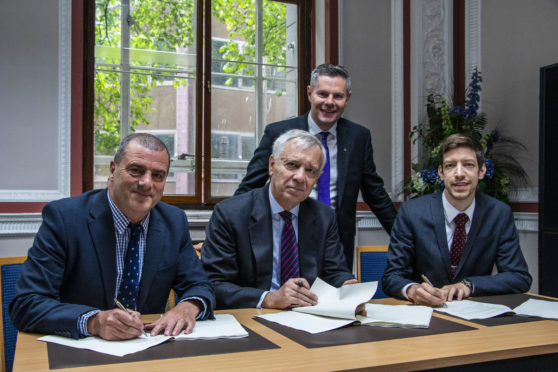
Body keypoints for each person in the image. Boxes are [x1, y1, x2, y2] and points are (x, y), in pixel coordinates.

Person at [9, 133, 215, 340]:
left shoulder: (173, 221)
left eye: (158, 176)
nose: (146, 183)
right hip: (80, 351)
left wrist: (188, 307)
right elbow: (27, 303)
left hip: (146, 347)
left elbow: (199, 285)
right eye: (136, 170)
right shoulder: (65, 219)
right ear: (113, 170)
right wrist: (93, 321)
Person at [235, 64, 396, 268]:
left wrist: (406, 239)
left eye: (337, 96)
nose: (329, 102)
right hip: (285, 236)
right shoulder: (279, 133)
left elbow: (375, 193)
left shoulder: (358, 137)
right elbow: (250, 187)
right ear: (309, 93)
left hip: (336, 243)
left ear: (347, 98)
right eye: (323, 94)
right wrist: (224, 234)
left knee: (334, 296)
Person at [202, 130, 357, 309]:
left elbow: (335, 272)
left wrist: (347, 289)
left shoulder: (324, 217)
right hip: (252, 318)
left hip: (308, 320)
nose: (300, 177)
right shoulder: (230, 214)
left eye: (310, 171)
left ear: (316, 179)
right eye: (292, 165)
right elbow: (214, 284)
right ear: (272, 165)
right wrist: (268, 298)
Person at [382, 133, 532, 307]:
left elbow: (518, 276)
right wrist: (412, 290)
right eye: (450, 166)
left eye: (468, 165)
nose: (459, 174)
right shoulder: (412, 212)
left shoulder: (498, 213)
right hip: (424, 314)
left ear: (481, 171)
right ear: (441, 172)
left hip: (477, 316)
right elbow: (391, 277)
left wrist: (469, 286)